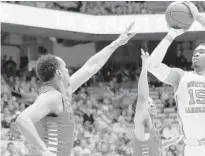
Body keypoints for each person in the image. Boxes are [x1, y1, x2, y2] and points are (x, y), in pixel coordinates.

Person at [15, 21, 136, 156]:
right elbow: (22, 120)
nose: (68, 70)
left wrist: (116, 43)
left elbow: (91, 67)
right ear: (59, 73)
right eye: (65, 67)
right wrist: (44, 151)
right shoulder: (52, 96)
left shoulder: (63, 93)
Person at [147, 1, 205, 156]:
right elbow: (151, 66)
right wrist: (171, 34)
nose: (196, 54)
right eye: (194, 53)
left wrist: (198, 17)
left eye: (201, 52)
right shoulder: (180, 77)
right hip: (191, 147)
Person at [131, 49, 182, 156]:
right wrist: (144, 70)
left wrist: (173, 141)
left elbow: (157, 147)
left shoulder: (151, 128)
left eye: (152, 102)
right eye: (148, 103)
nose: (152, 104)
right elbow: (143, 94)